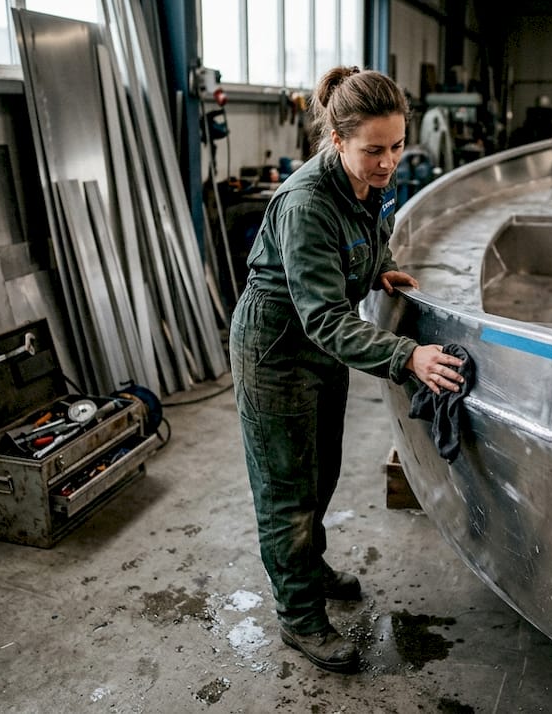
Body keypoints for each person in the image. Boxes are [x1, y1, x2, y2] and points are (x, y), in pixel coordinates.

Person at [229, 66, 466, 674]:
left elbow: (372, 234)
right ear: (337, 140)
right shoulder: (306, 203)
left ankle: (309, 568)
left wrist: (379, 265)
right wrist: (405, 356)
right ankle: (299, 615)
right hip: (277, 348)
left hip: (322, 348)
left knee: (321, 471)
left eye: (396, 146)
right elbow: (324, 318)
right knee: (287, 489)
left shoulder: (371, 180)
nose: (388, 163)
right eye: (373, 151)